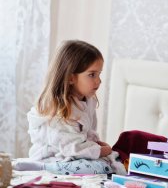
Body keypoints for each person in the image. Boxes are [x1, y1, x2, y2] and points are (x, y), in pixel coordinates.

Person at [13, 40, 126, 175]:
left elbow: (84, 134)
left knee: (112, 161)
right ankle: (39, 167)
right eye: (92, 75)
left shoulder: (88, 101)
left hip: (73, 153)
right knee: (103, 168)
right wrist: (101, 151)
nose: (99, 81)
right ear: (71, 78)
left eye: (99, 74)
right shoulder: (61, 109)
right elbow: (70, 147)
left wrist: (97, 143)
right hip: (52, 157)